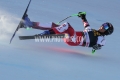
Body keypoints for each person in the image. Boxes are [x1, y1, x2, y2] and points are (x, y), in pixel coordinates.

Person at [21, 12, 114, 51]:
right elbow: (86, 24)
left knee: (67, 25)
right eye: (104, 24)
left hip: (75, 40)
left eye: (105, 26)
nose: (102, 25)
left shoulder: (101, 38)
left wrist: (97, 46)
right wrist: (83, 16)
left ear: (107, 32)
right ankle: (28, 24)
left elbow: (99, 45)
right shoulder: (92, 30)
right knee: (54, 25)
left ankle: (46, 34)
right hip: (71, 37)